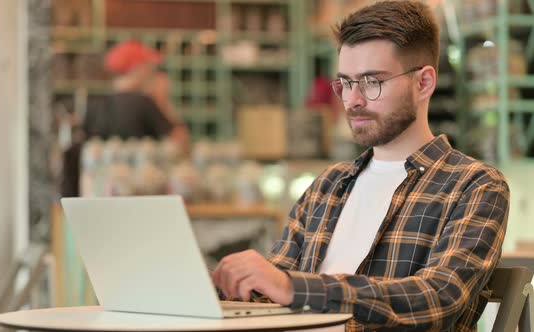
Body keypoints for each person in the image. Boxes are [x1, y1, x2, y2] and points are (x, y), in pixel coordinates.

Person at [211, 1, 510, 331]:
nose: (353, 100)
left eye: (371, 82)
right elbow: (271, 289)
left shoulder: (474, 186)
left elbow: (438, 299)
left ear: (424, 83)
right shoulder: (329, 184)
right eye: (346, 83)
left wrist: (292, 287)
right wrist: (228, 287)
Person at [83, 40, 189, 149]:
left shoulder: (96, 105)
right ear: (137, 69)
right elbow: (180, 144)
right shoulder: (143, 103)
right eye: (148, 65)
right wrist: (163, 100)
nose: (152, 71)